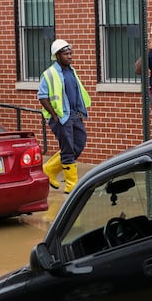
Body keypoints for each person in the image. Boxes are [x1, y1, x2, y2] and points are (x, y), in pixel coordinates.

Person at [38, 39, 91, 194]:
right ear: (57, 55)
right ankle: (71, 186)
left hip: (75, 115)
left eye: (70, 53)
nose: (70, 56)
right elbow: (42, 96)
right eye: (66, 54)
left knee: (78, 144)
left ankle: (49, 169)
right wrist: (54, 116)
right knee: (67, 149)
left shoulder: (71, 70)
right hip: (61, 117)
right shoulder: (49, 74)